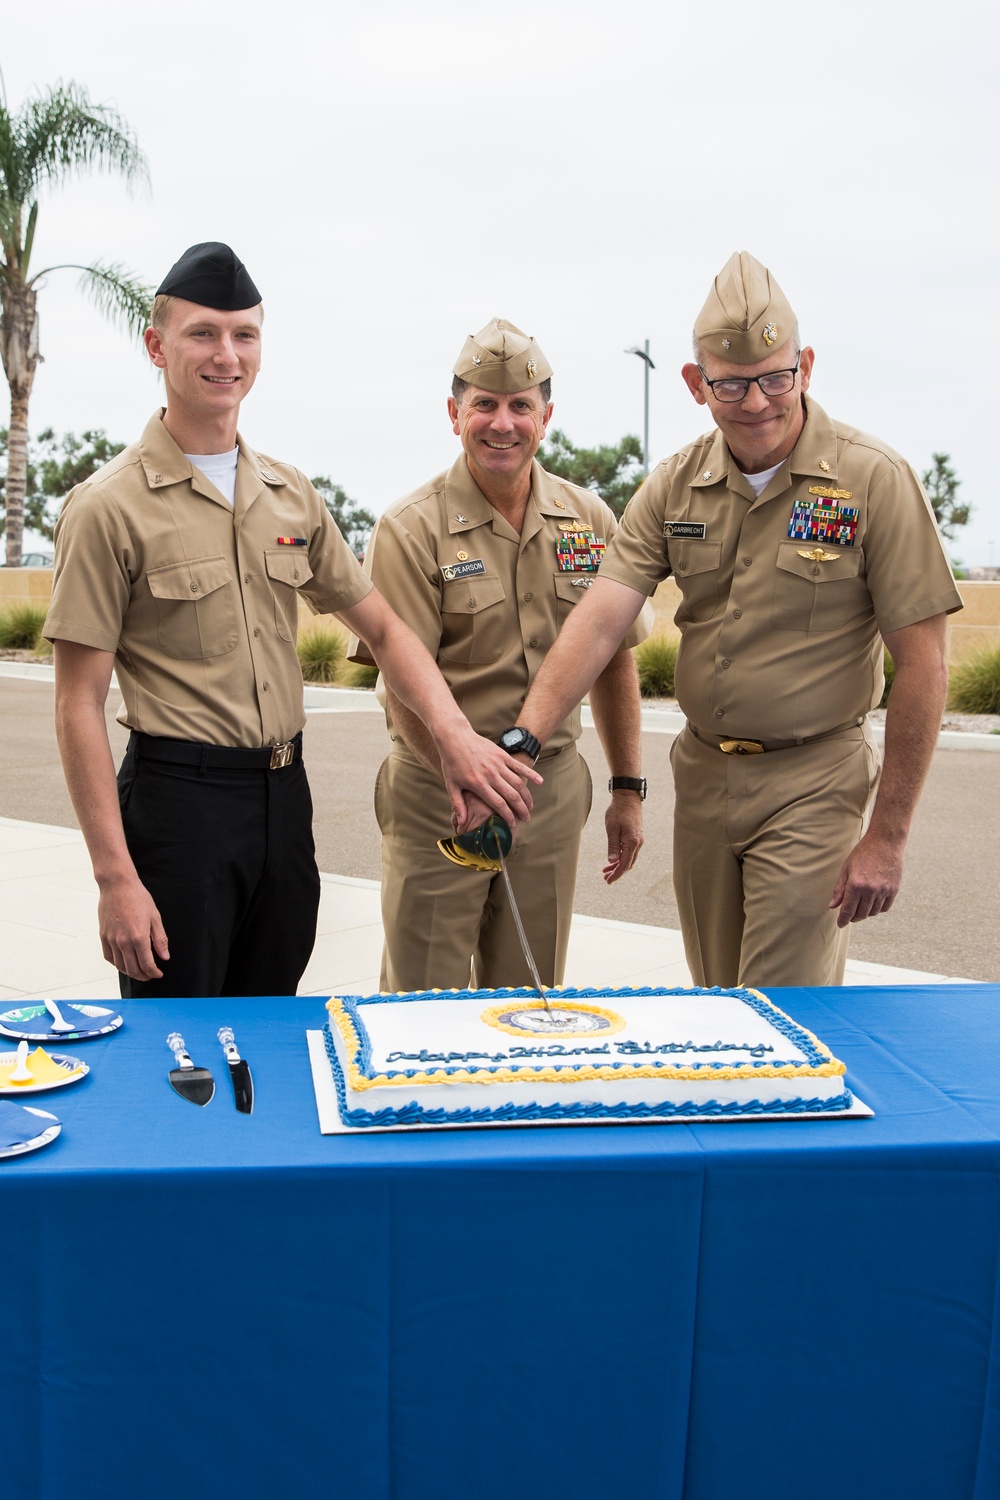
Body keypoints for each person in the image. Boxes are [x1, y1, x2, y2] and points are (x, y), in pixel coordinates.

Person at [44, 245, 539, 998]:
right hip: (179, 806)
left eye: (245, 335)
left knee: (271, 1033)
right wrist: (115, 878)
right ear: (156, 345)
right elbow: (77, 702)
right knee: (181, 1057)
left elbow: (385, 629)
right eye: (203, 334)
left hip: (282, 798)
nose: (226, 355)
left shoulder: (288, 493)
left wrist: (455, 741)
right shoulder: (107, 506)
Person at [514, 252, 963, 988]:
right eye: (730, 383)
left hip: (814, 778)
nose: (756, 402)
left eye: (775, 377)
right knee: (718, 999)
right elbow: (599, 623)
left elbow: (924, 664)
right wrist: (524, 740)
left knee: (782, 1005)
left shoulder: (872, 479)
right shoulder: (676, 485)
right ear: (696, 384)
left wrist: (887, 835)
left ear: (806, 367)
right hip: (703, 777)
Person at [347, 318, 652, 992]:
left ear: (547, 418)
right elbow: (399, 678)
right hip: (440, 797)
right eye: (483, 404)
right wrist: (464, 774)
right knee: (420, 1007)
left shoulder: (590, 521)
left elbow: (615, 660)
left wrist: (626, 789)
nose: (502, 423)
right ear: (454, 414)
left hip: (546, 797)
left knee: (532, 1004)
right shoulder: (411, 526)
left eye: (520, 406)